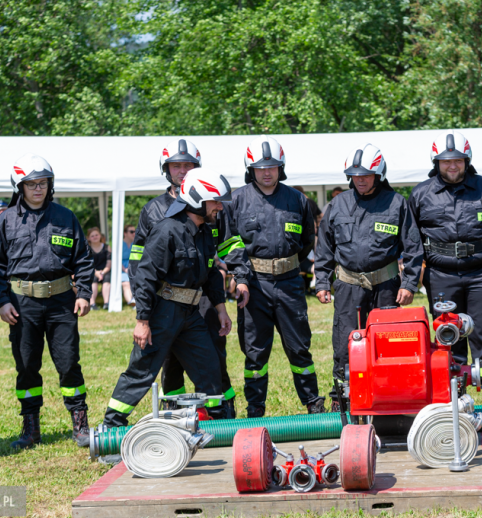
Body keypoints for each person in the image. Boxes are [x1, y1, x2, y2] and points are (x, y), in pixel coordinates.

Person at [103, 168, 233, 442]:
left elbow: (210, 273)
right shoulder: (167, 230)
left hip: (190, 315)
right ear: (198, 199)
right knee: (141, 371)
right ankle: (110, 429)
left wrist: (220, 308)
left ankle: (222, 430)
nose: (220, 207)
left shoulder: (205, 232)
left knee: (210, 369)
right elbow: (147, 276)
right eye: (216, 201)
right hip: (163, 313)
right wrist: (143, 321)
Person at [127, 139, 247, 418]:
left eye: (188, 165)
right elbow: (139, 262)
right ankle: (175, 412)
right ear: (166, 169)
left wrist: (239, 277)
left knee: (211, 353)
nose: (182, 170)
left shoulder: (213, 205)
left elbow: (229, 246)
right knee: (169, 357)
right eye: (176, 165)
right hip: (166, 299)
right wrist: (145, 308)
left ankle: (222, 410)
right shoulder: (153, 210)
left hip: (206, 293)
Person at [0, 154, 94, 450]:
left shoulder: (65, 216)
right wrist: (2, 301)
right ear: (20, 186)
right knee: (27, 366)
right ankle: (30, 426)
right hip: (22, 305)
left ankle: (80, 423)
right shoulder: (5, 221)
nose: (38, 189)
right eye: (31, 184)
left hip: (61, 302)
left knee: (69, 363)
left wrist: (83, 293)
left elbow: (83, 259)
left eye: (43, 183)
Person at [221, 135, 325, 417]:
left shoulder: (298, 200)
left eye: (273, 166)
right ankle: (255, 407)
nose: (267, 172)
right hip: (253, 285)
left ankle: (313, 401)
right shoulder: (235, 201)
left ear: (281, 167)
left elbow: (307, 241)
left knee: (300, 348)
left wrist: (288, 266)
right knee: (255, 353)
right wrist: (241, 275)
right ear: (250, 168)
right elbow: (229, 243)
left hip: (290, 283)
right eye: (260, 167)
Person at [316, 144, 423, 410]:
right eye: (355, 175)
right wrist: (321, 281)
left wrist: (409, 283)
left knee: (386, 344)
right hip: (348, 287)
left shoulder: (397, 203)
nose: (360, 179)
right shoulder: (338, 204)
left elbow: (412, 246)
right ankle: (341, 399)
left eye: (366, 174)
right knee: (344, 345)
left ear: (379, 174)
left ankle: (388, 396)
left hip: (386, 287)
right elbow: (324, 245)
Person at [409, 131, 482, 404]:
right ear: (436, 162)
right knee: (448, 336)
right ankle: (454, 394)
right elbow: (412, 236)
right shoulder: (420, 194)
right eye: (445, 161)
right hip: (441, 276)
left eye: (458, 160)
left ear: (467, 160)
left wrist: (476, 250)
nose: (452, 165)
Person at [87, 227, 111, 310]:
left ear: (100, 236)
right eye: (92, 236)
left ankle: (106, 303)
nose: (95, 237)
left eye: (96, 235)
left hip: (105, 270)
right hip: (92, 270)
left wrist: (103, 272)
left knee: (107, 279)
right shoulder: (87, 249)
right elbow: (87, 264)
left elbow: (109, 263)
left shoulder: (107, 247)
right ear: (89, 238)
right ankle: (92, 304)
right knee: (93, 280)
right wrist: (96, 272)